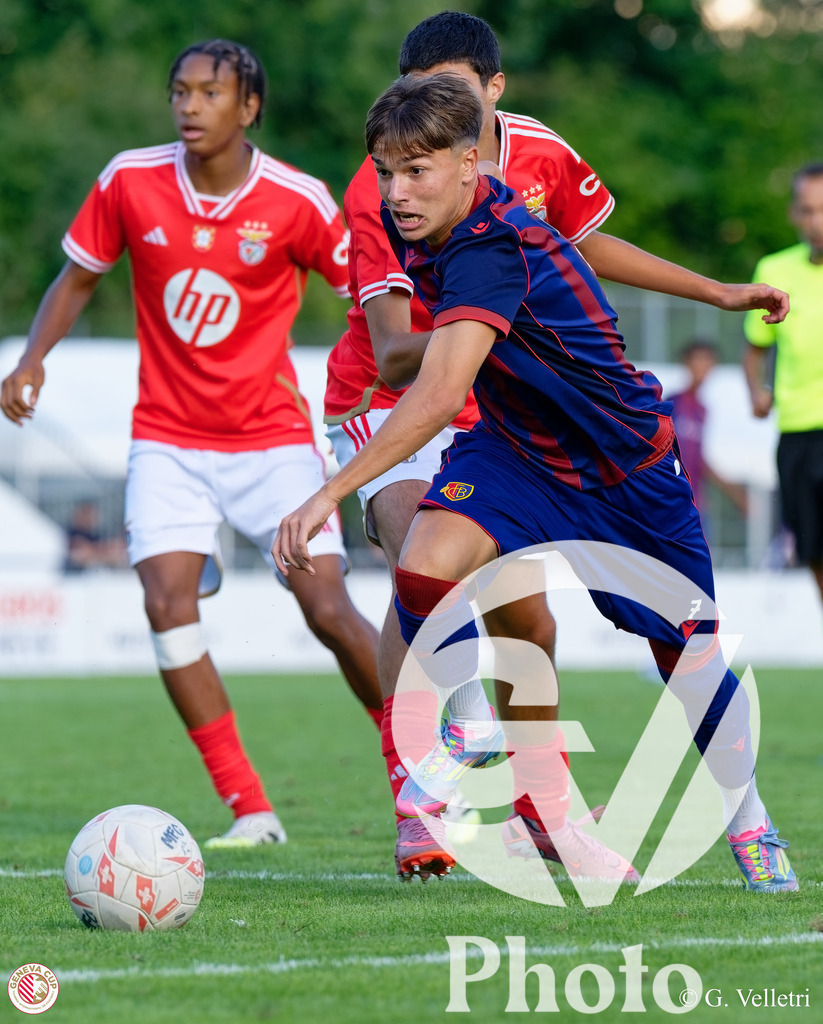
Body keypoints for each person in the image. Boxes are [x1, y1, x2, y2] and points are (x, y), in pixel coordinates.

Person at [275, 72, 797, 893]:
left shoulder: (490, 245)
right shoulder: (422, 220)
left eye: (415, 171)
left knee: (687, 661)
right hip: (517, 450)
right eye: (385, 171)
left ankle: (752, 824)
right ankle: (479, 754)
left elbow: (438, 392)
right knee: (425, 558)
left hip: (622, 466)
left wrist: (326, 494)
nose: (395, 191)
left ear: (470, 162)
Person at [0, 39, 382, 849]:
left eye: (210, 92)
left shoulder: (297, 200)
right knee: (167, 607)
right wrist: (33, 358)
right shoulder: (129, 180)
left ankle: (420, 769)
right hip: (167, 440)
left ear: (250, 107)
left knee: (326, 608)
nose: (190, 105)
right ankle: (249, 807)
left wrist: (375, 386)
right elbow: (77, 277)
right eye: (180, 90)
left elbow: (368, 297)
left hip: (273, 442)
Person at [743, 161, 823, 607]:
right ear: (795, 214)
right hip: (796, 434)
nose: (818, 222)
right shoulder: (774, 269)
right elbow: (755, 349)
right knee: (813, 551)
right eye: (809, 210)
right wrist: (757, 391)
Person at [669, 339, 748, 525]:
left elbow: (698, 460)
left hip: (696, 503)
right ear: (686, 362)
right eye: (698, 359)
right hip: (671, 500)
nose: (703, 366)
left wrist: (734, 492)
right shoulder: (672, 404)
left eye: (708, 361)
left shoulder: (702, 410)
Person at [62, 500, 127, 574]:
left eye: (92, 515)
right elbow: (81, 552)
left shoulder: (96, 534)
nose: (90, 518)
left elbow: (114, 554)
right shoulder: (70, 535)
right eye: (87, 514)